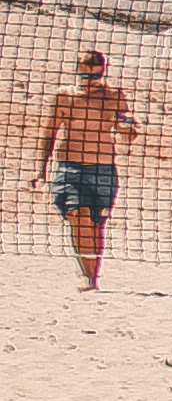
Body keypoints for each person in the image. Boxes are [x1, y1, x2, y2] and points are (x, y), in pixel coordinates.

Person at [38, 46, 133, 289]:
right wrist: (40, 169)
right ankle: (86, 276)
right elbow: (50, 133)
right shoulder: (64, 96)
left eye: (95, 76)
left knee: (96, 223)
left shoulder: (114, 96)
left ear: (103, 73)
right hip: (71, 166)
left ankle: (93, 278)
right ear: (77, 73)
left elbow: (129, 131)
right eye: (85, 76)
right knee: (77, 216)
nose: (90, 81)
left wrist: (127, 129)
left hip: (102, 168)